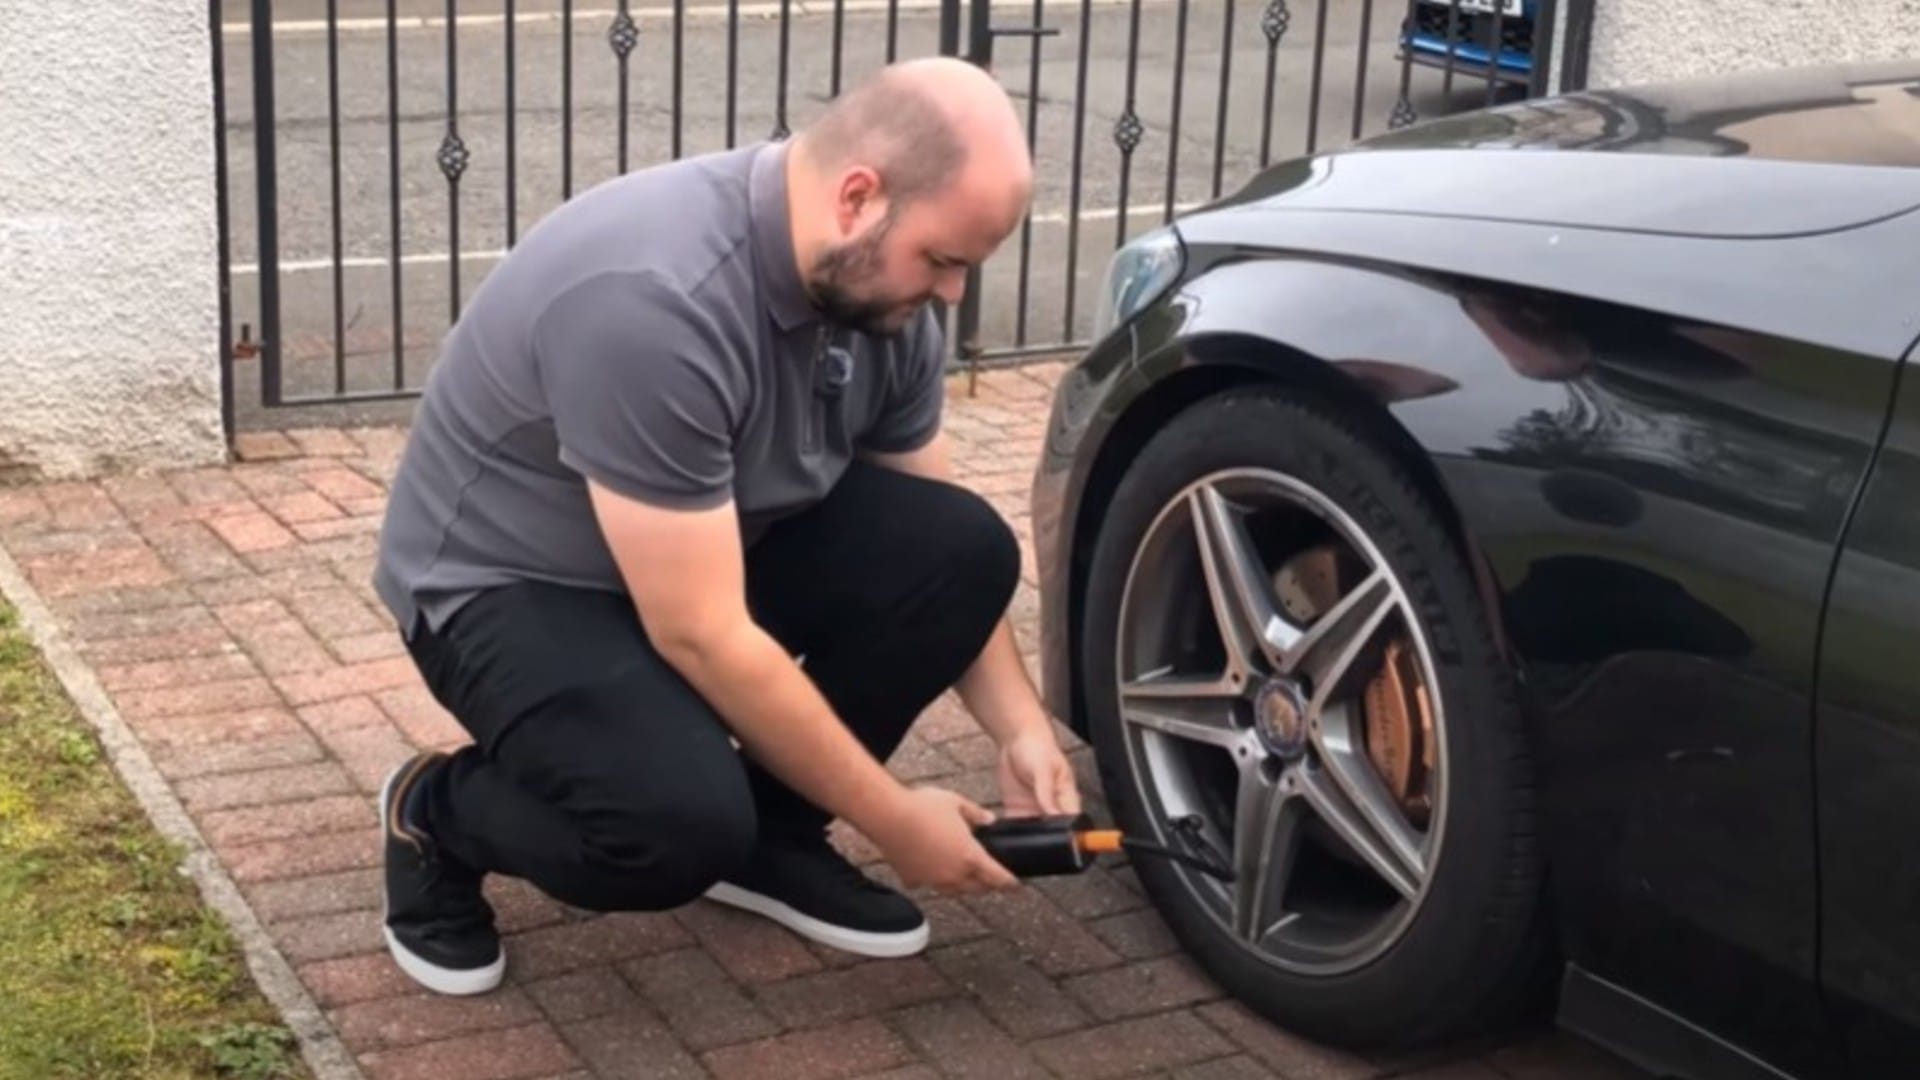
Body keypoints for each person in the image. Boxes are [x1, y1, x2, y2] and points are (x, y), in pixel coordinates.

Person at [370, 56, 1083, 997]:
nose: (952, 296)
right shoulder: (654, 299)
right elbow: (699, 633)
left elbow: (936, 536)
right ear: (858, 198)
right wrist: (893, 818)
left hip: (705, 546)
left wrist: (1021, 727)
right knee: (669, 829)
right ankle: (437, 814)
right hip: (506, 586)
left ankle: (773, 835)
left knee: (961, 547)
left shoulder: (884, 300)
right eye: (945, 260)